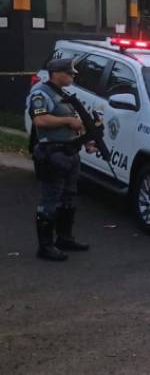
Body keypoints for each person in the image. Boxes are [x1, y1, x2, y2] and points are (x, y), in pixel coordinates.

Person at [28, 58, 97, 261]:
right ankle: (45, 246)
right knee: (50, 199)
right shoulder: (41, 93)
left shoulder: (64, 95)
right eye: (69, 73)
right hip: (52, 153)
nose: (72, 76)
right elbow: (40, 119)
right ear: (56, 73)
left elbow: (75, 124)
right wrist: (68, 120)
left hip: (70, 153)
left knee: (69, 198)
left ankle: (64, 238)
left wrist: (85, 141)